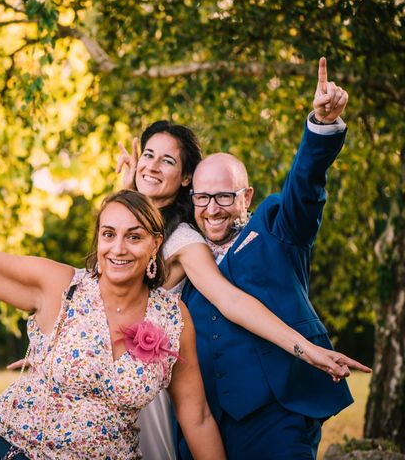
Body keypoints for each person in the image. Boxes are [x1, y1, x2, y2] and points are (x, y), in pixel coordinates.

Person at [0, 189, 225, 459]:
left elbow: (196, 417)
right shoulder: (62, 287)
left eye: (134, 237)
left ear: (155, 245)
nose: (118, 248)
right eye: (108, 234)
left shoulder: (172, 316)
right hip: (19, 449)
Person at [116, 90, 369, 459]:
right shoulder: (175, 257)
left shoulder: (276, 229)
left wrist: (322, 127)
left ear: (246, 196)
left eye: (224, 197)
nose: (212, 209)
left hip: (277, 413)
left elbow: (305, 187)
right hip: (205, 420)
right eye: (203, 198)